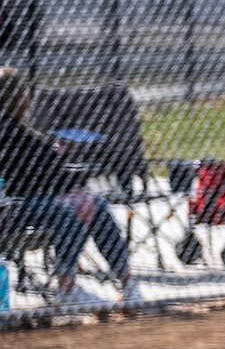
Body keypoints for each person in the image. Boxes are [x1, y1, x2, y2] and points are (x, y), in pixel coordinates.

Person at [0, 66, 141, 308]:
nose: (27, 100)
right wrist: (71, 190)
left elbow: (43, 169)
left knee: (96, 204)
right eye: (22, 95)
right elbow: (22, 177)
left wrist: (75, 189)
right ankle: (67, 288)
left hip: (23, 202)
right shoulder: (7, 131)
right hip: (9, 210)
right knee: (70, 210)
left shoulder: (18, 131)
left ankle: (128, 285)